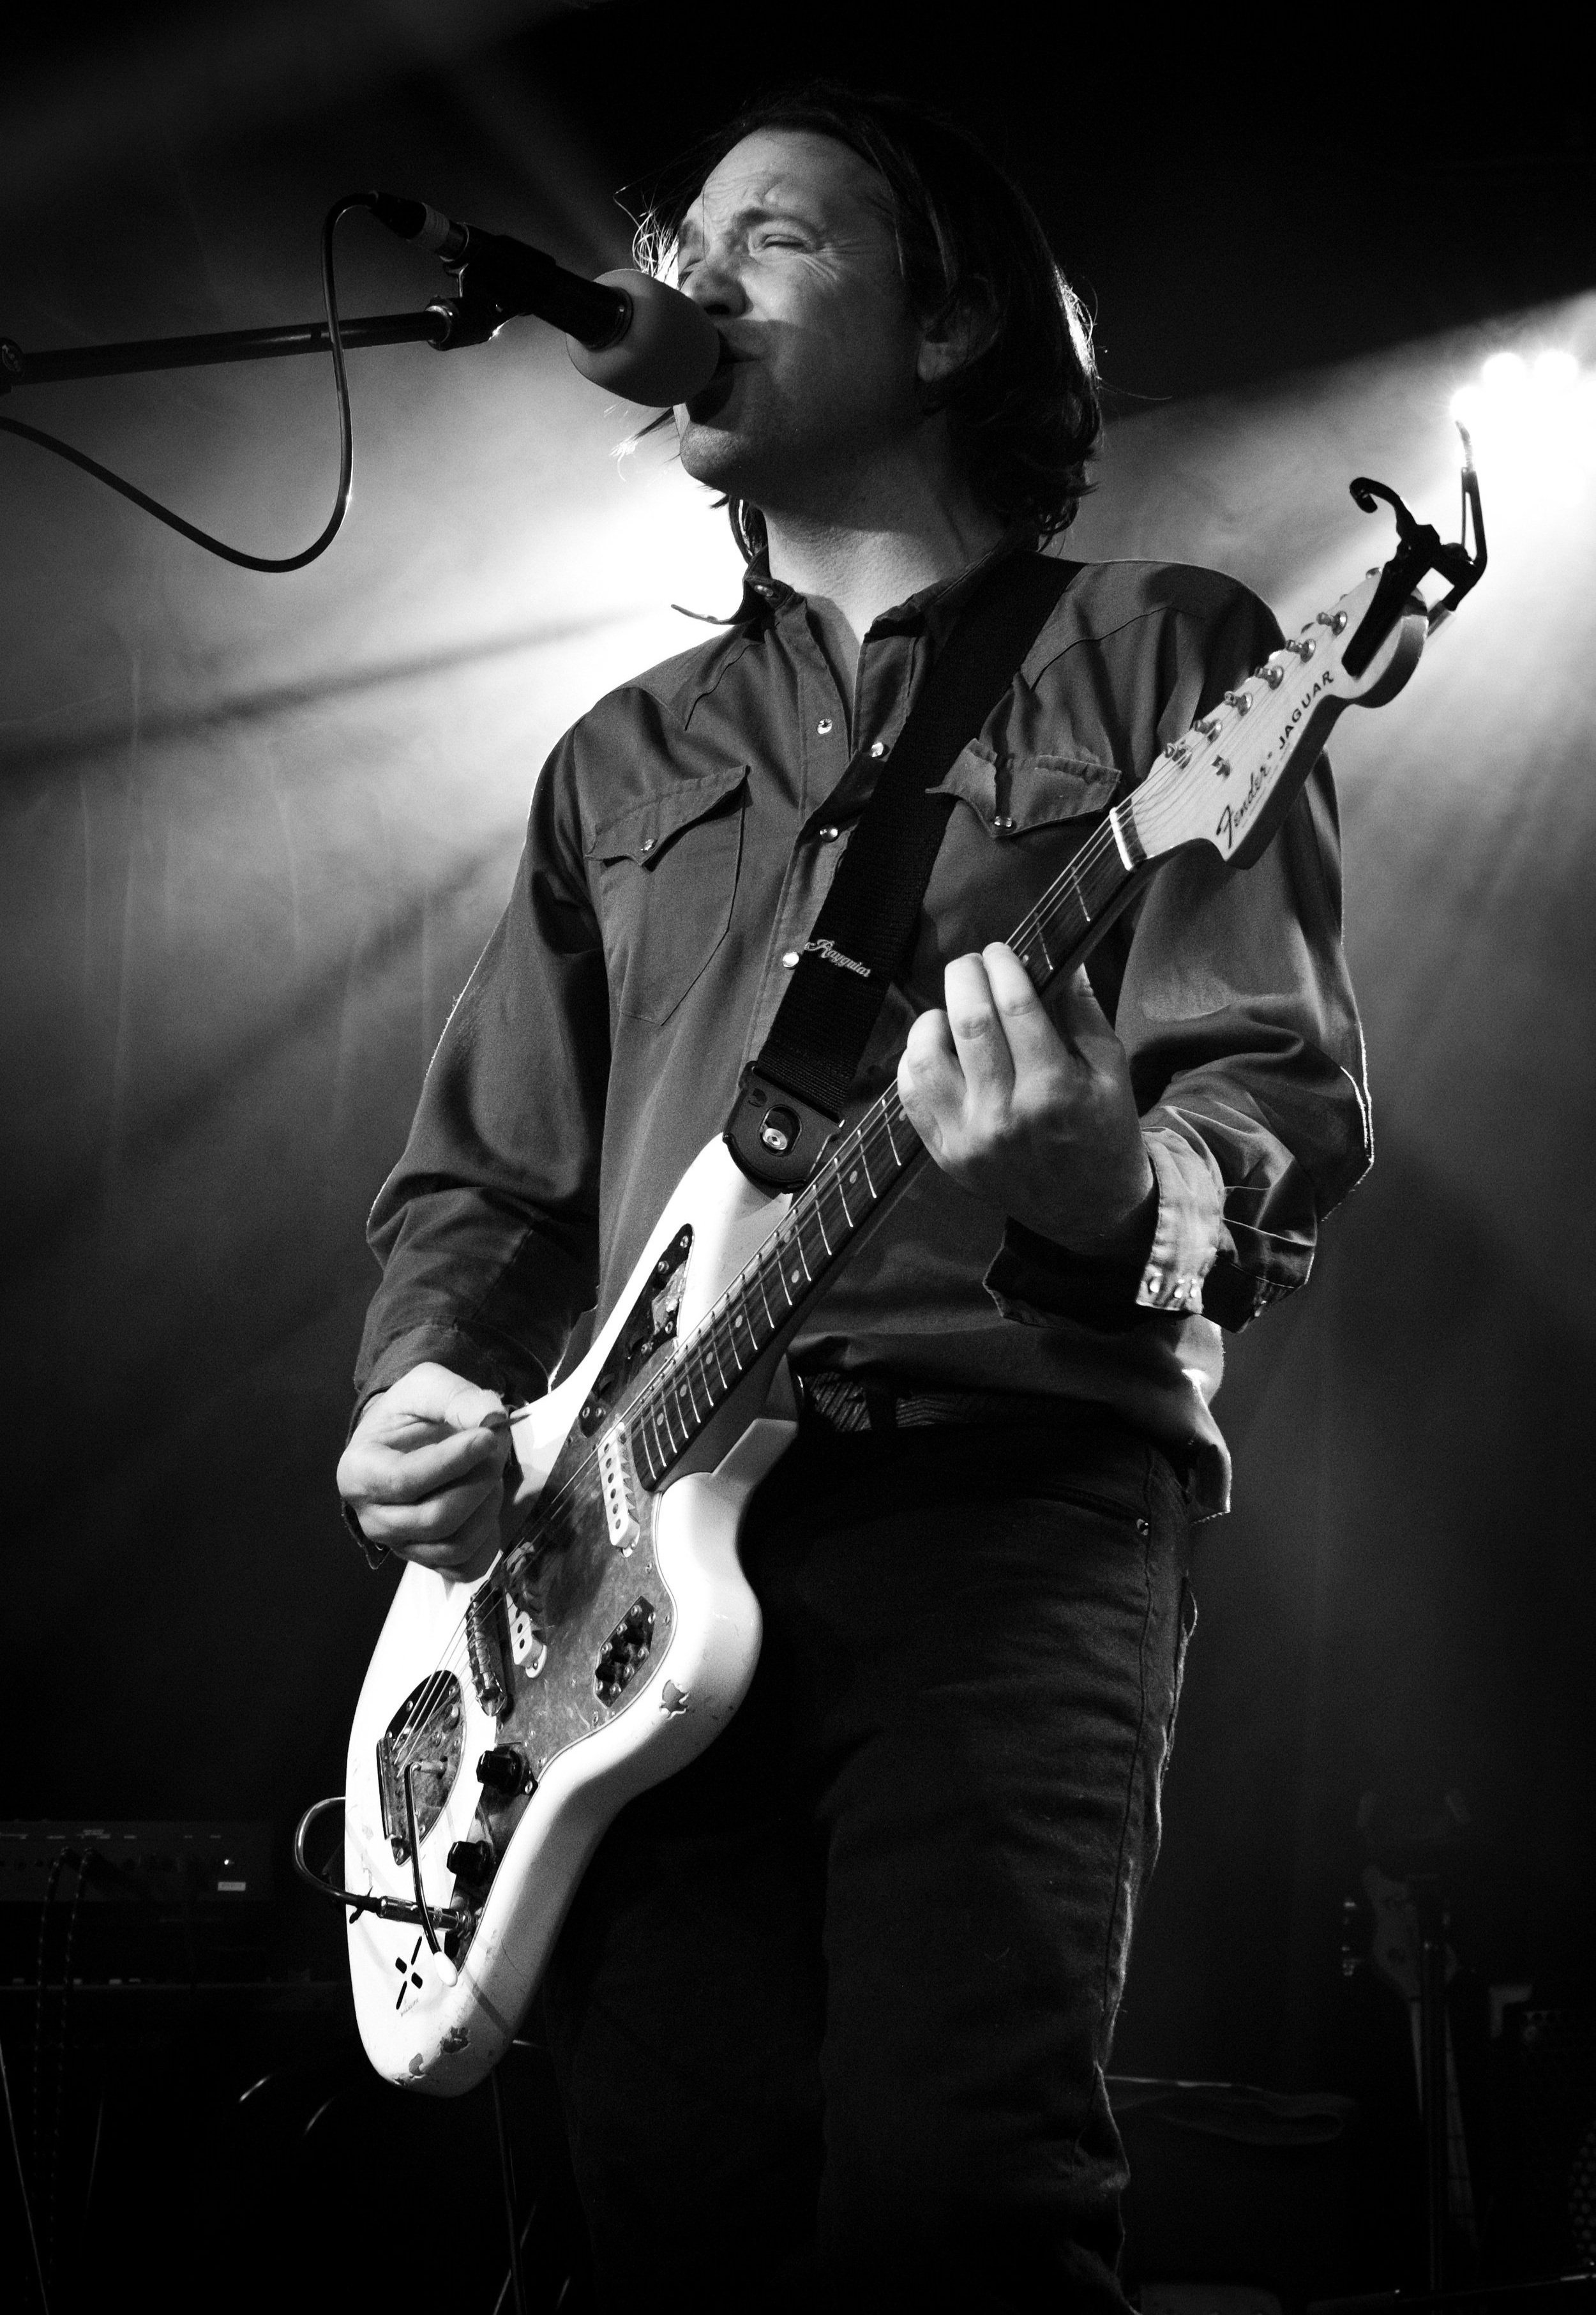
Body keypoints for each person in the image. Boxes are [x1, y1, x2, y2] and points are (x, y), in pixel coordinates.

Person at [336, 85, 1369, 2310]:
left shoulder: (1166, 657)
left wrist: (1118, 1181)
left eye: (771, 239)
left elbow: (1273, 1100)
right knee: (669, 2224)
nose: (692, 283)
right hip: (614, 1574)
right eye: (676, 242)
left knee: (955, 2215)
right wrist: (429, 1389)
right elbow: (490, 1179)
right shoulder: (625, 756)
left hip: (999, 1515)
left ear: (951, 319)